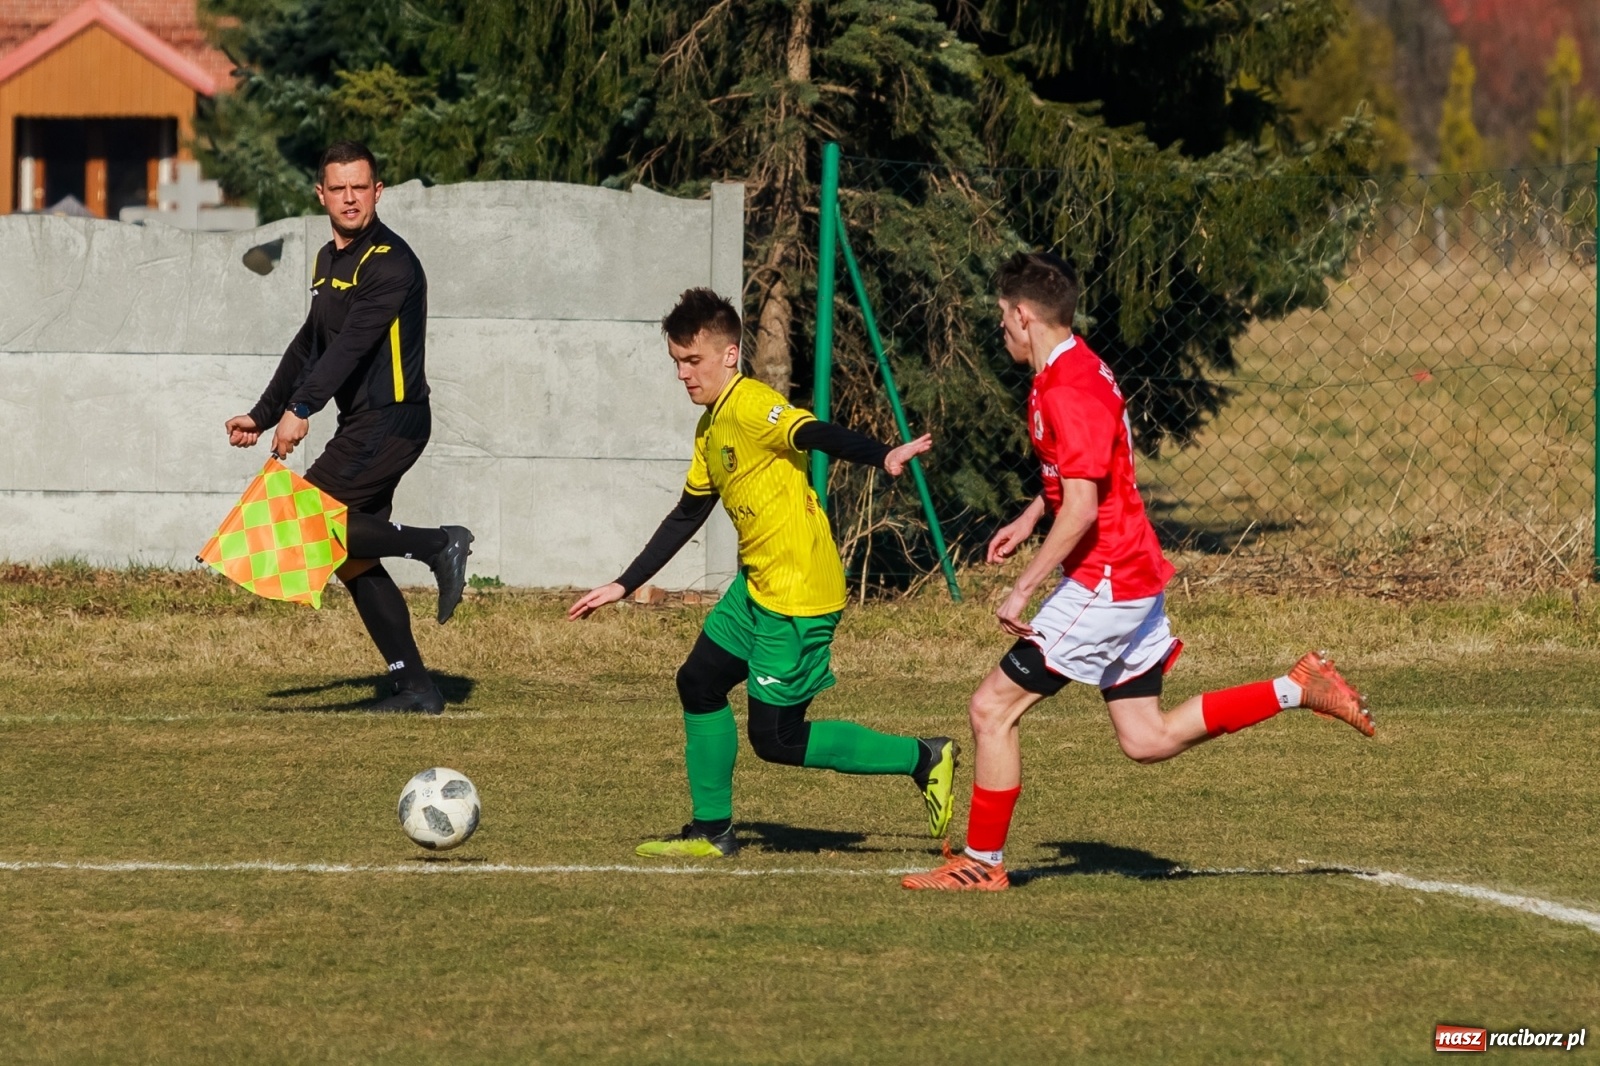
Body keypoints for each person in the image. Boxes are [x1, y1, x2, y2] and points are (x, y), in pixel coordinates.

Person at [902, 251, 1373, 892]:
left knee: (991, 709)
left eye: (1002, 317)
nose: (1000, 328)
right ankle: (1299, 687)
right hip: (1129, 574)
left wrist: (1023, 587)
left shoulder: (1069, 388)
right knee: (1146, 737)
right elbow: (1082, 473)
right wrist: (1031, 514)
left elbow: (1083, 509)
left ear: (1022, 315)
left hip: (1106, 579)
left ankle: (982, 864)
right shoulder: (1071, 368)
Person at [569, 288, 958, 858]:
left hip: (798, 593)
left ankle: (923, 757)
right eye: (676, 361)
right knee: (698, 682)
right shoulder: (710, 427)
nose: (682, 374)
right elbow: (687, 514)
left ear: (729, 354)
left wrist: (881, 454)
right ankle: (712, 831)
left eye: (692, 360)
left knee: (777, 738)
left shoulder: (752, 404)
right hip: (757, 587)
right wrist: (623, 584)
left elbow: (810, 432)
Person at [223, 140, 473, 715]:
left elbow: (352, 346)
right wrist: (264, 414)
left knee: (305, 522)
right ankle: (417, 688)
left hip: (393, 419)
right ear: (321, 194)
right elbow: (312, 344)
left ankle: (440, 543)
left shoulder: (391, 263)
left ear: (378, 191)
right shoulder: (327, 260)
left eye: (360, 187)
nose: (350, 198)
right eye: (339, 188)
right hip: (364, 421)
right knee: (349, 555)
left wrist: (302, 409)